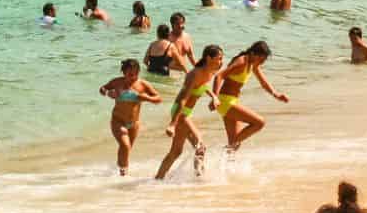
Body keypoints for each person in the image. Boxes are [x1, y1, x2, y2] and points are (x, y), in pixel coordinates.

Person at [156, 45, 224, 180]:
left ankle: (158, 179)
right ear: (208, 58)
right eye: (219, 58)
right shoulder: (194, 74)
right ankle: (199, 177)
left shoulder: (209, 72)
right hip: (180, 112)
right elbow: (182, 100)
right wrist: (172, 124)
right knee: (200, 146)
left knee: (175, 152)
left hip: (186, 113)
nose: (221, 62)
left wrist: (214, 96)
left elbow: (203, 86)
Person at [218, 39, 290, 152]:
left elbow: (263, 82)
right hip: (225, 102)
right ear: (253, 53)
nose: (262, 62)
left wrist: (276, 94)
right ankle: (229, 146)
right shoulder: (242, 61)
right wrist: (213, 97)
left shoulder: (252, 64)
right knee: (259, 122)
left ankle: (225, 165)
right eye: (261, 59)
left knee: (235, 144)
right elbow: (219, 76)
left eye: (264, 60)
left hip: (231, 101)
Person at [100, 58, 164, 175]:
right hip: (117, 121)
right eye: (130, 74)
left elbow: (159, 99)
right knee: (125, 145)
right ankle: (123, 175)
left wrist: (147, 98)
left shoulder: (142, 84)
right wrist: (108, 93)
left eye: (135, 74)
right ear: (124, 73)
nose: (132, 77)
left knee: (127, 149)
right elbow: (102, 89)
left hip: (134, 123)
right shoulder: (116, 82)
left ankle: (119, 169)